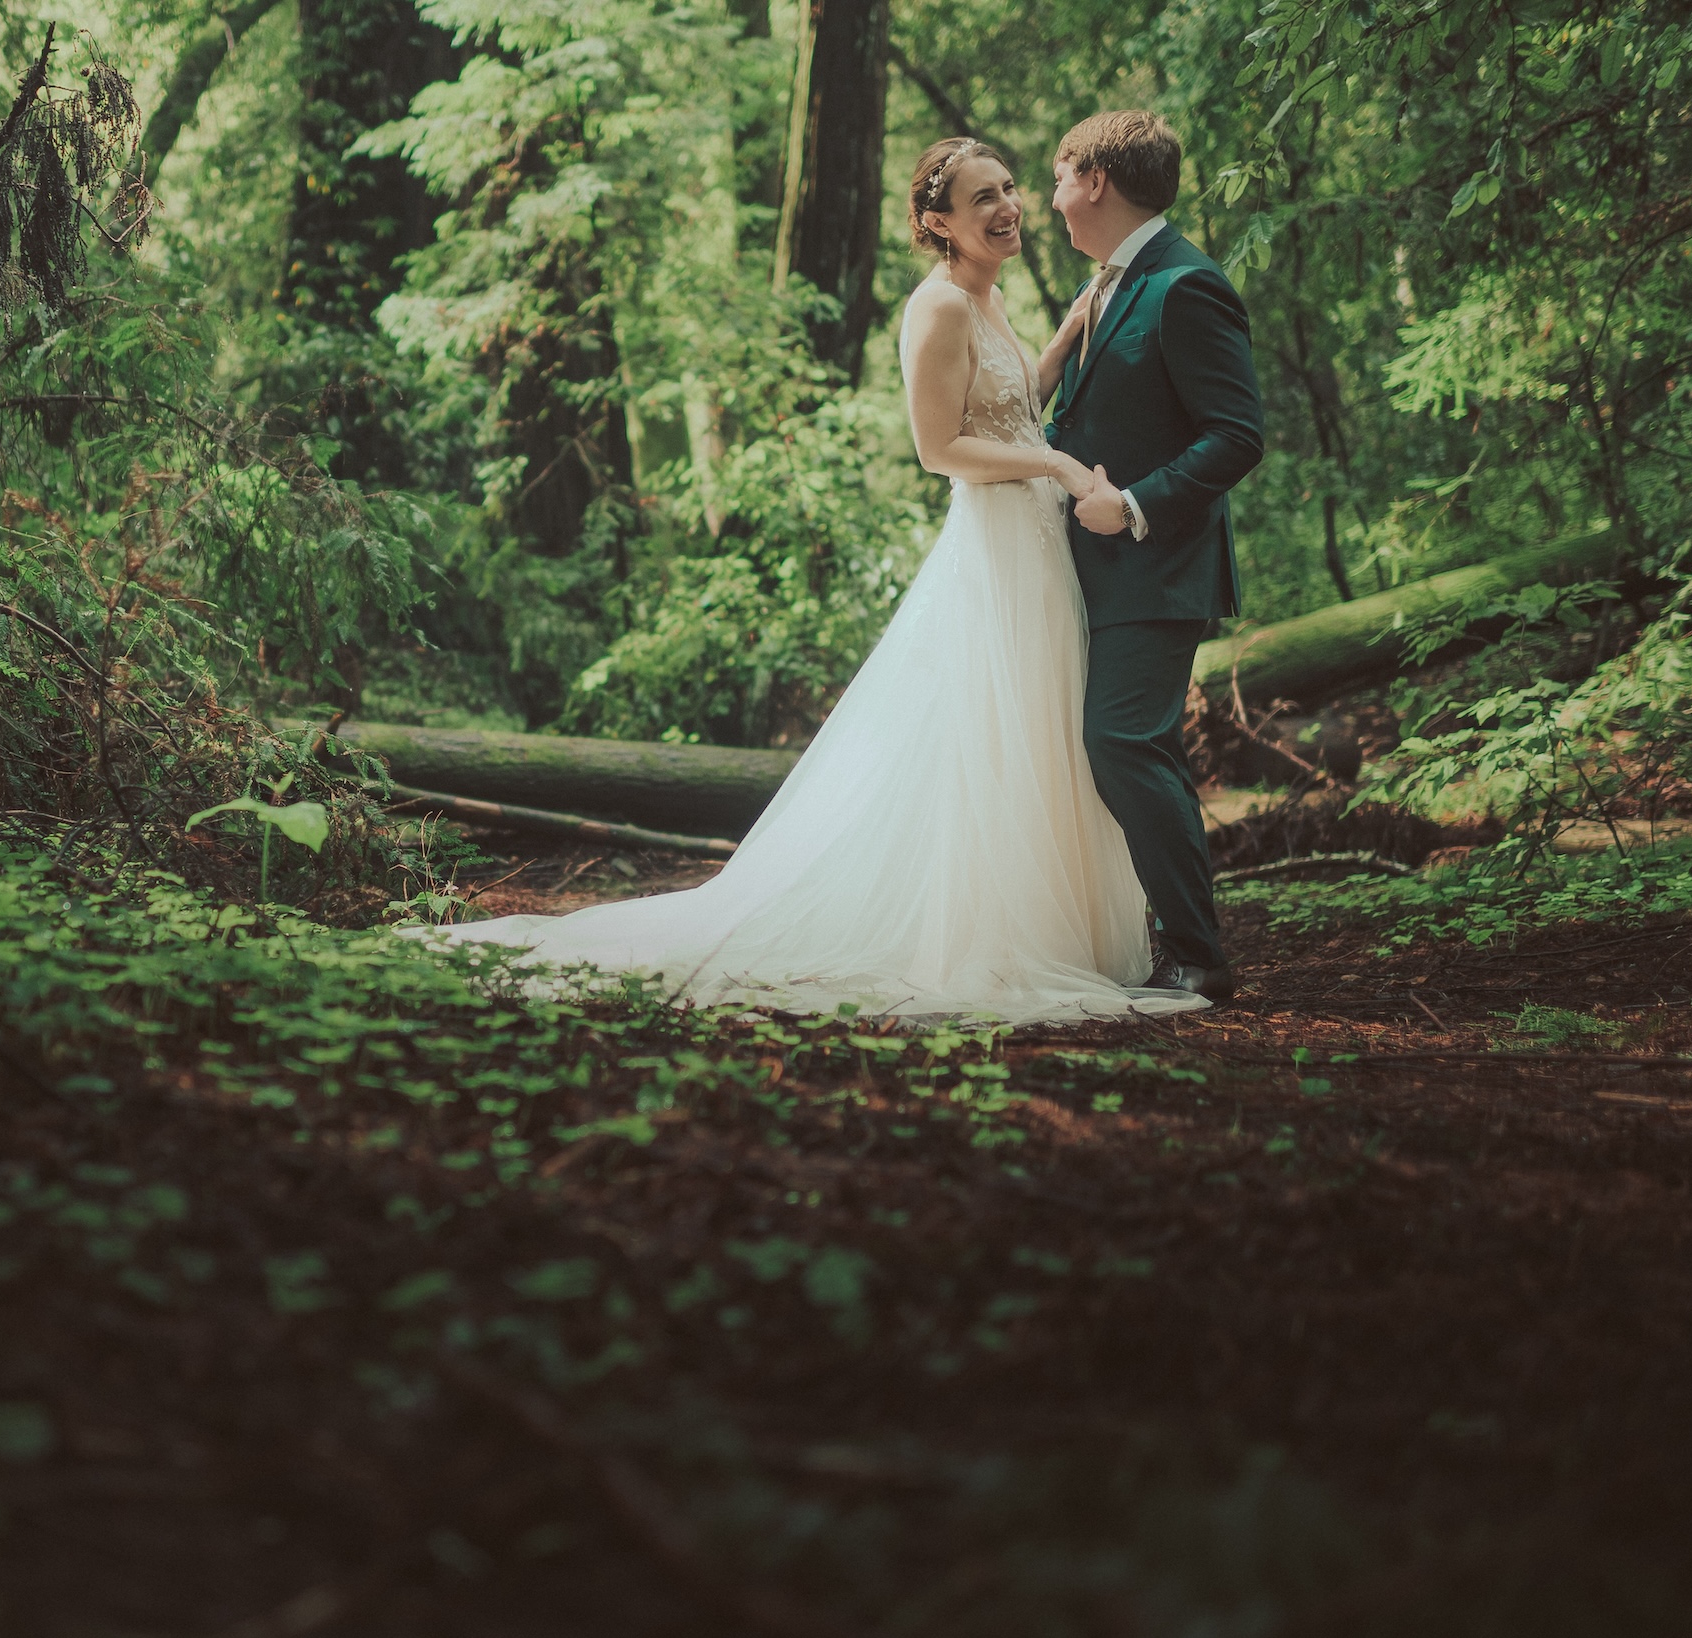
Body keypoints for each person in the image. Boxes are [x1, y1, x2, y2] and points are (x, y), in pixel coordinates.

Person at [421, 134, 1219, 1025]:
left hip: (1039, 554)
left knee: (1036, 739)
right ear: (936, 222)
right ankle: (977, 932)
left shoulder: (991, 301)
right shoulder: (940, 306)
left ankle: (1058, 926)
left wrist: (1068, 335)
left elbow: (1012, 406)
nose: (1007, 207)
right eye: (980, 199)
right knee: (984, 739)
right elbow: (939, 447)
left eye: (1010, 188)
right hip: (998, 545)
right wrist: (1064, 471)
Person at [1045, 110, 1264, 1002]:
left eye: (1058, 176)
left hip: (1155, 564)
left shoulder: (1185, 285)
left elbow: (1237, 435)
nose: (1052, 198)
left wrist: (1131, 505)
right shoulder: (1105, 287)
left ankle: (1197, 954)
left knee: (1123, 740)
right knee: (1122, 743)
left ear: (1096, 179)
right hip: (1090, 573)